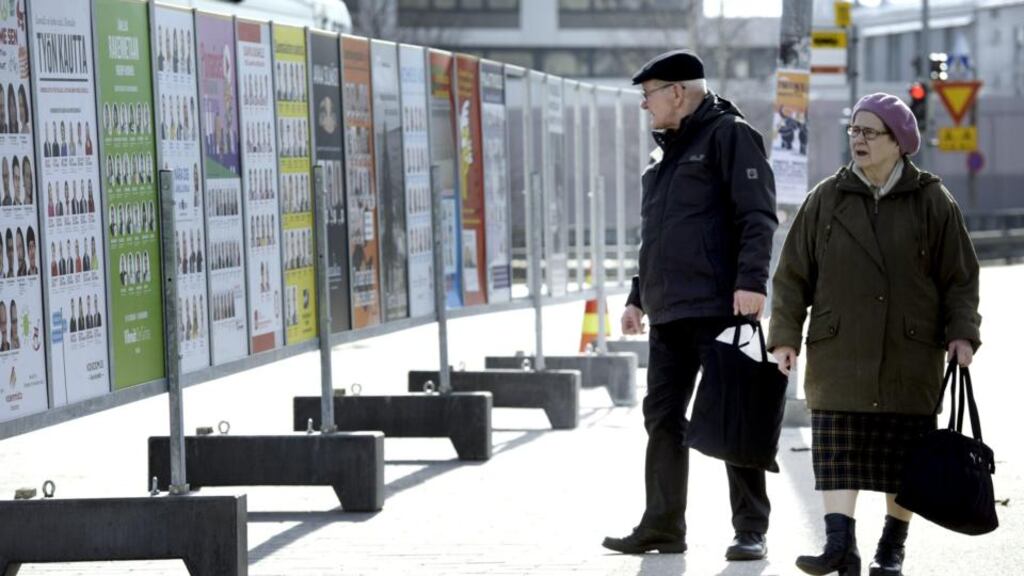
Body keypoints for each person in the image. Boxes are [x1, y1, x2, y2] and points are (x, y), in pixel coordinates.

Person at [768, 93, 981, 576]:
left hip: (908, 353)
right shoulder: (827, 198)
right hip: (838, 350)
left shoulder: (932, 201)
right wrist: (785, 336)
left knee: (901, 461)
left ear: (899, 141)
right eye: (854, 130)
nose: (858, 140)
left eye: (870, 132)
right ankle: (839, 545)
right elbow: (792, 275)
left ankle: (891, 548)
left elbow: (960, 278)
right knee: (839, 450)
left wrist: (963, 333)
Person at [601, 50, 778, 560]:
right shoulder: (667, 151)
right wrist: (638, 297)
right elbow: (655, 236)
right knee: (661, 416)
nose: (643, 106)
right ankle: (662, 526)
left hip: (724, 306)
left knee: (735, 416)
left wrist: (751, 282)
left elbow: (757, 216)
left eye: (648, 94)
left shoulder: (729, 134)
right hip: (671, 311)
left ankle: (750, 530)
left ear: (678, 91)